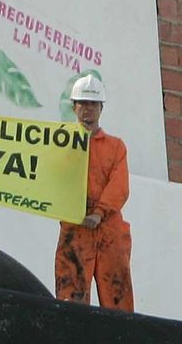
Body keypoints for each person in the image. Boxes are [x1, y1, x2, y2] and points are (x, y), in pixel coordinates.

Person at [54, 74, 133, 311]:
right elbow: (53, 179)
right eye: (82, 103)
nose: (87, 108)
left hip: (109, 228)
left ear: (101, 108)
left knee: (117, 296)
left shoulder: (115, 146)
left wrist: (99, 213)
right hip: (75, 224)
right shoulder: (62, 142)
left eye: (93, 104)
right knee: (71, 298)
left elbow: (119, 186)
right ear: (74, 107)